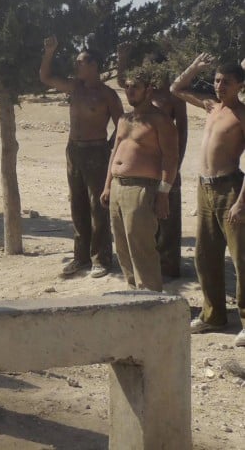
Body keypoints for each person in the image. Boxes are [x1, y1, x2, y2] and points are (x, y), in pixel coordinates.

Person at [170, 54, 245, 348]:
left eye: (226, 81)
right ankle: (213, 316)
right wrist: (194, 68)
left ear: (240, 84)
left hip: (231, 188)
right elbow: (176, 88)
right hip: (205, 188)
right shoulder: (211, 107)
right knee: (205, 255)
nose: (219, 86)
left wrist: (241, 202)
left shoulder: (242, 115)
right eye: (216, 80)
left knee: (241, 259)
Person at [40, 36, 123, 278]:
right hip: (73, 151)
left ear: (94, 65)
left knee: (98, 206)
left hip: (97, 151)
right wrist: (49, 52)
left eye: (81, 62)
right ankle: (80, 257)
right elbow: (45, 78)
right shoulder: (74, 87)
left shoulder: (107, 94)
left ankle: (101, 259)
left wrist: (109, 147)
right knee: (77, 205)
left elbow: (123, 125)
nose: (76, 66)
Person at [101, 71, 179, 291]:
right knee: (123, 246)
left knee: (141, 247)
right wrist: (107, 186)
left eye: (135, 86)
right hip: (117, 186)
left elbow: (171, 159)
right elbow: (114, 153)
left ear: (148, 90)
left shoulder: (160, 120)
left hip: (142, 188)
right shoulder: (124, 119)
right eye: (127, 86)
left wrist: (163, 193)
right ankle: (133, 295)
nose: (130, 91)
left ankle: (151, 298)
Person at [117, 45, 189, 278]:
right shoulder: (141, 93)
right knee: (142, 222)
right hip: (144, 167)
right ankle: (149, 266)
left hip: (166, 164)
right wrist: (123, 58)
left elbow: (183, 132)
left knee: (167, 215)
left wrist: (175, 166)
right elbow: (123, 81)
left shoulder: (173, 97)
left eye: (155, 68)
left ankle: (169, 267)